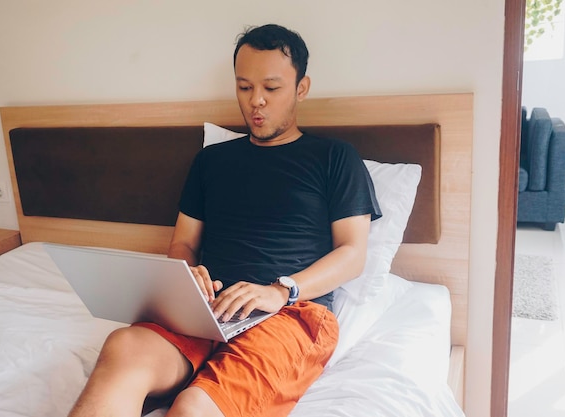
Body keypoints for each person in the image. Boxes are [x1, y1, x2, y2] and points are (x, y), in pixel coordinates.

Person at [68, 23, 381, 417]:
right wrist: (189, 274)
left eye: (272, 88)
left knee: (193, 407)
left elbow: (353, 254)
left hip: (291, 313)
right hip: (206, 307)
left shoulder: (335, 158)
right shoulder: (211, 161)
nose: (257, 102)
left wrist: (281, 290)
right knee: (124, 346)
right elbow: (182, 243)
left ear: (301, 88)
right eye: (245, 87)